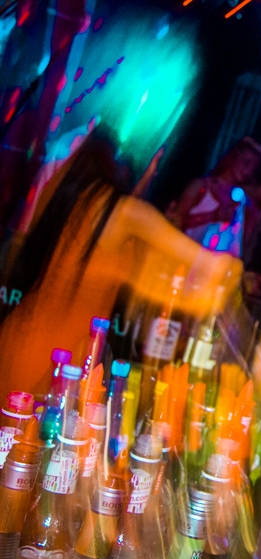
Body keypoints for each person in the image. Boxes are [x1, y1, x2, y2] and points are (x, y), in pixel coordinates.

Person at [0, 127, 240, 396]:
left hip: (23, 339)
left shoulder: (68, 194)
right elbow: (212, 264)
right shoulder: (124, 211)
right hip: (53, 360)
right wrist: (230, 275)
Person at [165, 137, 261, 263]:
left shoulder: (243, 193)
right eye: (246, 163)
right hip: (181, 258)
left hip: (209, 268)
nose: (248, 172)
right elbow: (175, 222)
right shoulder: (201, 185)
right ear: (234, 157)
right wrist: (213, 216)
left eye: (253, 169)